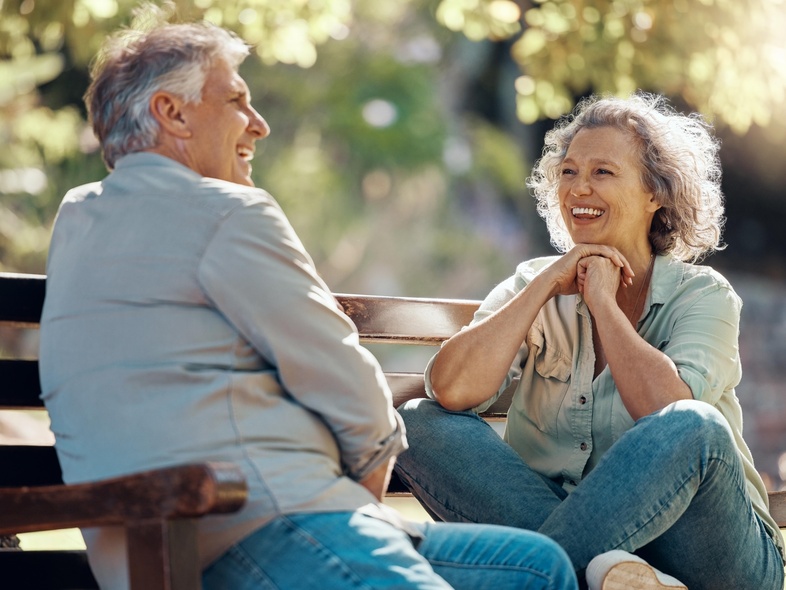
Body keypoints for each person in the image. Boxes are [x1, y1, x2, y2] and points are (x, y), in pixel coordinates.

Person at [37, 10, 579, 590]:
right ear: (172, 113)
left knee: (537, 567)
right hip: (266, 523)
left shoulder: (77, 218)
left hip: (156, 544)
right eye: (237, 101)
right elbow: (353, 391)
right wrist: (351, 513)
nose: (258, 124)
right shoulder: (229, 213)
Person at [394, 93, 786, 590]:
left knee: (695, 425)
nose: (579, 187)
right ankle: (611, 575)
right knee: (420, 423)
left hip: (712, 555)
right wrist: (542, 287)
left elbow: (664, 410)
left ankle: (542, 577)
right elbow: (451, 390)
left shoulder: (703, 295)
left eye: (603, 172)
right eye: (569, 171)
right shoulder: (533, 284)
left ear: (655, 194)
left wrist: (602, 302)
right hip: (567, 526)